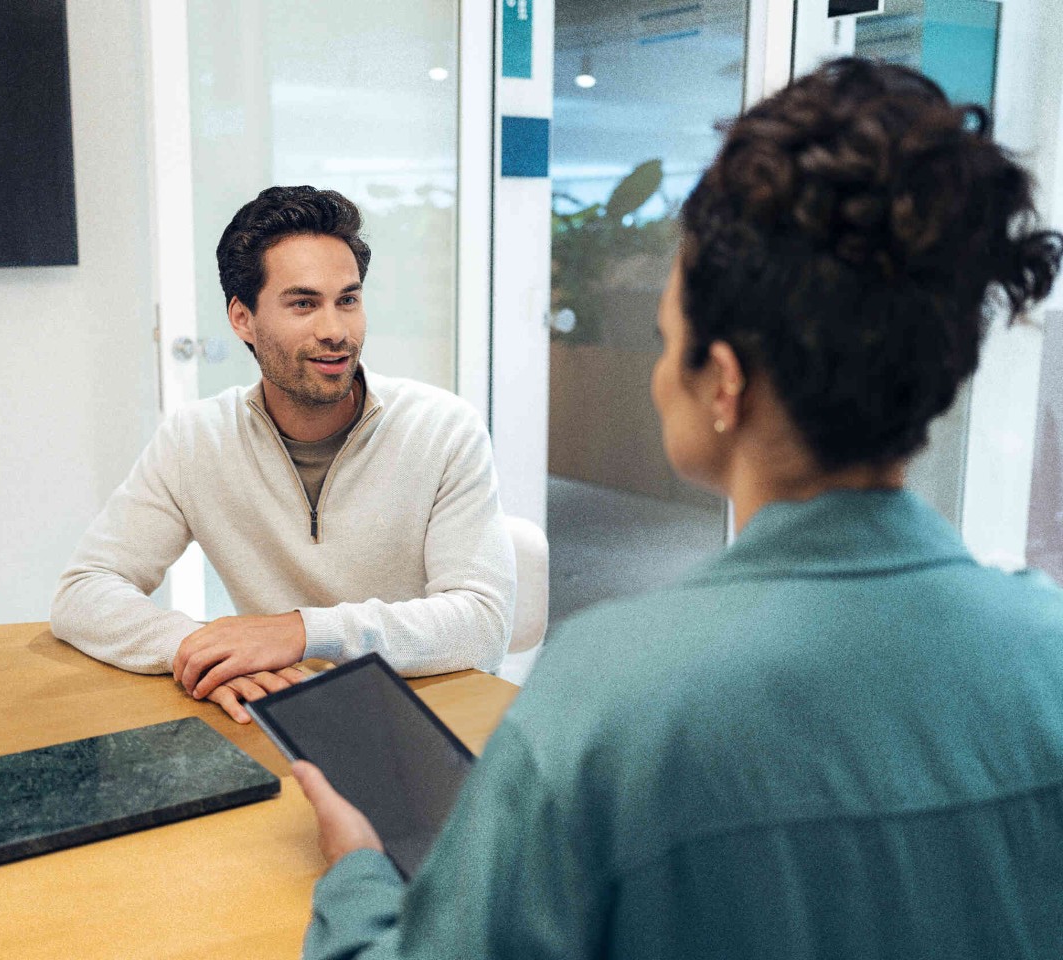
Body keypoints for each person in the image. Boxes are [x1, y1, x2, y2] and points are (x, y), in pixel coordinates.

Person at [292, 58, 1063, 958]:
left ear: (724, 381)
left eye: (667, 340)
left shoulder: (613, 703)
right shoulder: (1046, 653)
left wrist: (356, 879)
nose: (662, 375)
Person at [51, 186, 515, 723]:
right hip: (284, 716)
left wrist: (299, 632)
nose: (335, 331)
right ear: (243, 318)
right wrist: (197, 647)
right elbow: (84, 590)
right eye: (303, 304)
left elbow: (482, 624)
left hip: (429, 715)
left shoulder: (442, 429)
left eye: (348, 299)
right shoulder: (196, 439)